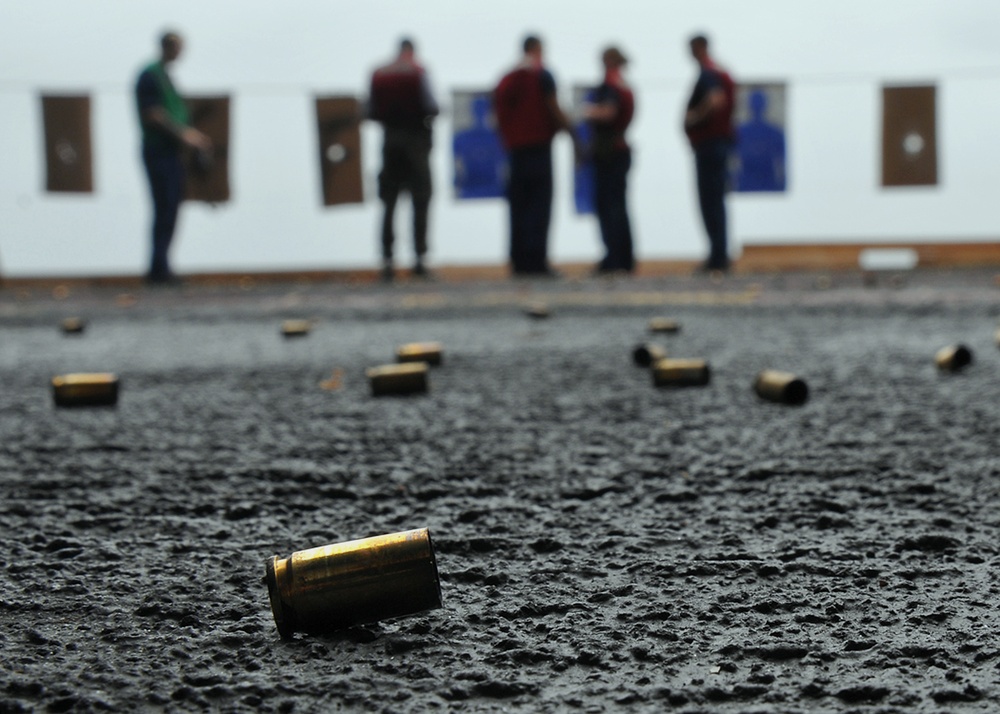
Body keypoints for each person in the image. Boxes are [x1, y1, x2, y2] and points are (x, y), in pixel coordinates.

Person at [493, 35, 579, 277]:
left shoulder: (507, 78)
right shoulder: (542, 74)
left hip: (515, 151)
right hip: (539, 148)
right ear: (537, 49)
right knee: (539, 207)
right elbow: (553, 107)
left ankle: (518, 262)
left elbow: (498, 112)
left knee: (518, 206)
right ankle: (537, 261)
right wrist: (573, 136)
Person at [135, 31, 211, 285]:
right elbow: (153, 114)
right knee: (164, 207)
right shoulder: (150, 75)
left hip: (170, 152)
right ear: (169, 47)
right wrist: (184, 135)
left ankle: (161, 266)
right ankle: (158, 270)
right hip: (159, 151)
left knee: (171, 208)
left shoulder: (165, 76)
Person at [368, 38, 439, 282]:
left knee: (389, 202)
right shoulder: (418, 72)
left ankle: (387, 261)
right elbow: (431, 105)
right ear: (412, 51)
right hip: (416, 142)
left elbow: (370, 111)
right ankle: (419, 259)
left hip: (390, 143)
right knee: (420, 201)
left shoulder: (379, 73)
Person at [683, 34, 735, 273]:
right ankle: (718, 253)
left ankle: (718, 256)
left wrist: (694, 117)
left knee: (711, 200)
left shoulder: (709, 74)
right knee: (715, 201)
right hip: (715, 144)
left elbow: (716, 101)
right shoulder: (718, 72)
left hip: (710, 145)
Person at [583, 46, 636, 275]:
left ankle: (615, 259)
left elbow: (608, 112)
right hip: (618, 149)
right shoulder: (623, 84)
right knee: (618, 206)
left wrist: (588, 111)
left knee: (609, 207)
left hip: (609, 153)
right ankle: (622, 258)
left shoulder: (611, 84)